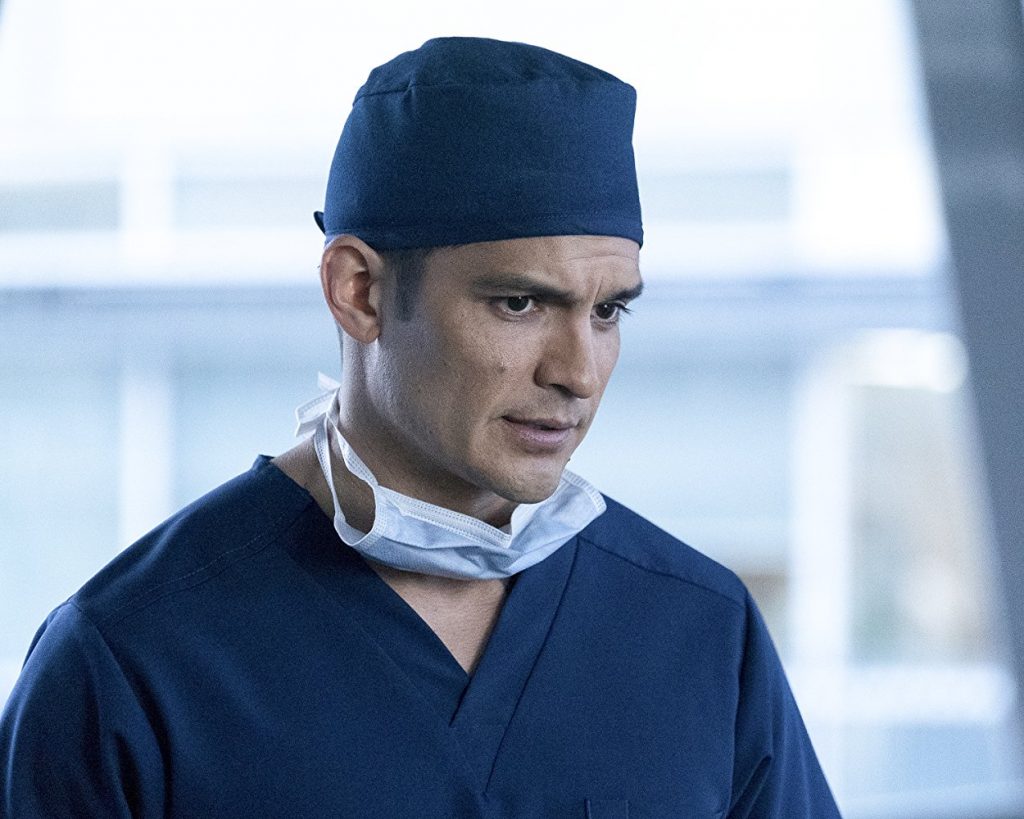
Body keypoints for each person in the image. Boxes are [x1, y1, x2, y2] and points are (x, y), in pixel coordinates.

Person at [0, 37, 840, 817]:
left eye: (608, 310)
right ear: (359, 291)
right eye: (520, 302)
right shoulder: (131, 665)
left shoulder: (700, 634)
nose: (578, 373)